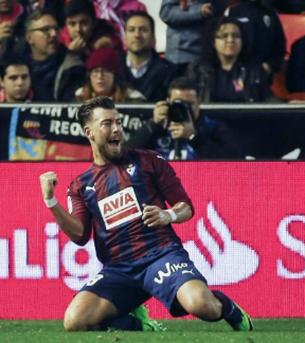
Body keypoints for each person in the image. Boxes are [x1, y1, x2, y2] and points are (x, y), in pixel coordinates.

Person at [38, 96, 253, 332]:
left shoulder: (148, 161)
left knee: (203, 306)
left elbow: (186, 206)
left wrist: (167, 215)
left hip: (161, 256)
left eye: (118, 122)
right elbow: (79, 235)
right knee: (75, 321)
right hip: (119, 269)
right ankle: (141, 325)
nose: (117, 129)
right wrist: (51, 201)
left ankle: (228, 307)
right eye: (107, 124)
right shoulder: (81, 185)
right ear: (89, 132)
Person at [126, 76, 242, 160]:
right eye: (178, 103)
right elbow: (126, 153)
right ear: (168, 102)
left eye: (189, 104)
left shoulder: (213, 127)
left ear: (198, 103)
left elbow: (233, 160)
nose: (184, 108)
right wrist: (153, 124)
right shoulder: (158, 127)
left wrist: (193, 137)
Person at [186, 16, 271, 103]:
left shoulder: (255, 69)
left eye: (236, 36)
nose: (230, 40)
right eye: (224, 36)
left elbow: (264, 103)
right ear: (213, 41)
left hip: (246, 116)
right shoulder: (198, 69)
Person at [24, 10, 86, 101]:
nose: (53, 34)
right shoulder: (20, 65)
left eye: (56, 29)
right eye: (45, 30)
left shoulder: (70, 64)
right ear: (29, 38)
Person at [121, 11, 177, 102]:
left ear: (153, 37)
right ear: (124, 37)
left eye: (143, 30)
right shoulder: (113, 68)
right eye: (131, 30)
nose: (137, 35)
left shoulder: (169, 71)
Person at [75, 47, 145, 102]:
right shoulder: (79, 97)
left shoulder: (133, 99)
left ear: (115, 75)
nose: (100, 76)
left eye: (106, 71)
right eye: (95, 71)